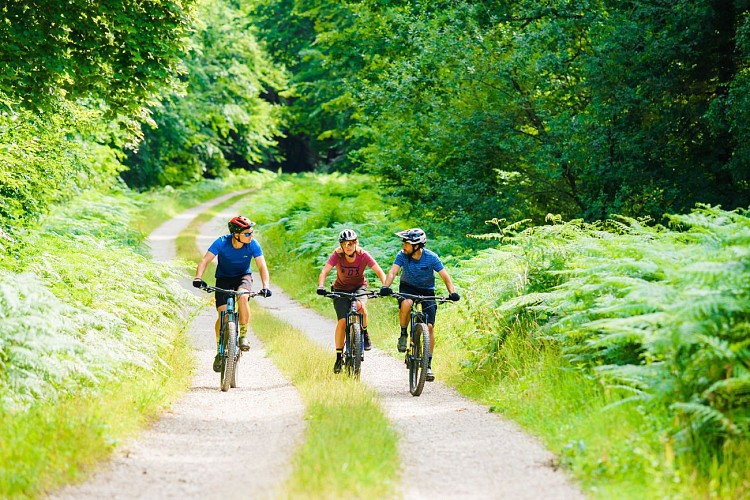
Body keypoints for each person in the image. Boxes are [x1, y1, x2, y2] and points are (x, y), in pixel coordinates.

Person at [379, 228, 459, 382]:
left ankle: (427, 364)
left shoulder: (431, 257)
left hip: (427, 290)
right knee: (407, 304)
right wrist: (385, 286)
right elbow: (392, 272)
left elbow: (445, 276)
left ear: (416, 245)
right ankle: (403, 334)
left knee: (429, 327)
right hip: (408, 288)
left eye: (406, 243)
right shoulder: (402, 255)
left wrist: (452, 292)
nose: (403, 246)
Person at [193, 215, 272, 372]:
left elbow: (262, 266)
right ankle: (219, 350)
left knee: (243, 296)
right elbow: (204, 261)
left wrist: (266, 286)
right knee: (222, 314)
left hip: (243, 277)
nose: (251, 236)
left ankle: (243, 335)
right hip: (223, 278)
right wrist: (198, 278)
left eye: (251, 232)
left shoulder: (253, 244)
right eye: (247, 233)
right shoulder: (221, 242)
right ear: (236, 234)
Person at [317, 228, 387, 374]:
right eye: (345, 244)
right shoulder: (337, 255)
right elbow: (324, 271)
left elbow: (379, 271)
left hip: (358, 288)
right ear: (341, 246)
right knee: (342, 321)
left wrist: (385, 286)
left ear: (356, 243)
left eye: (351, 243)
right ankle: (338, 357)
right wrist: (321, 286)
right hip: (340, 289)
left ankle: (365, 334)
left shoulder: (363, 255)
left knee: (362, 308)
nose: (348, 247)